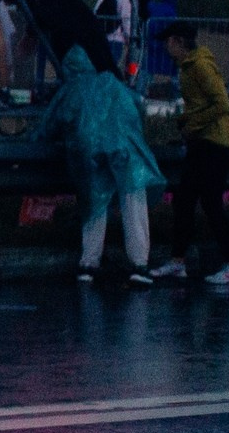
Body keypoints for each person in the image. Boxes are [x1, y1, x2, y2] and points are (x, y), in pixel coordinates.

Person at [39, 46, 161, 288]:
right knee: (133, 203)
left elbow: (50, 126)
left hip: (92, 155)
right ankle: (139, 265)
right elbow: (135, 109)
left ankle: (88, 264)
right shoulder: (112, 83)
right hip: (125, 151)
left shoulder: (70, 90)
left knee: (94, 205)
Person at [151, 20, 229, 285]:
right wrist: (188, 122)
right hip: (202, 142)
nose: (166, 47)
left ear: (178, 42)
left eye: (168, 41)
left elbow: (222, 104)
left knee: (210, 203)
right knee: (184, 200)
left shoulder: (200, 66)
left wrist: (191, 123)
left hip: (215, 143)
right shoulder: (187, 67)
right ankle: (177, 262)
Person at [94, 0, 134, 72]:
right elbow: (126, 20)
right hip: (116, 39)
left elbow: (95, 14)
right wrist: (128, 37)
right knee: (112, 66)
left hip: (101, 37)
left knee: (101, 67)